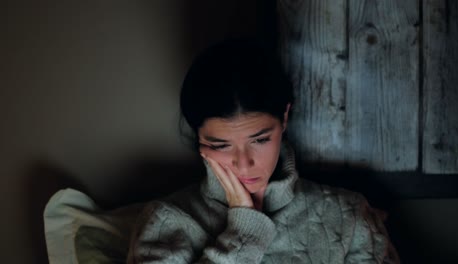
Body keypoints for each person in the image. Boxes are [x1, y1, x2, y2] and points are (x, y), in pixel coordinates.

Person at [127, 38, 399, 263]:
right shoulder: (166, 221)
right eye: (220, 145)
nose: (244, 164)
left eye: (259, 140)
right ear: (198, 138)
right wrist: (245, 232)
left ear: (284, 118)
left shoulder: (347, 215)